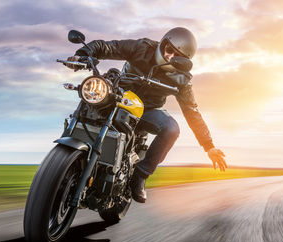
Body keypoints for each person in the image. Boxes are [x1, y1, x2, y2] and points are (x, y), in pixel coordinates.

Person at [66, 27, 227, 203]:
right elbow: (108, 47)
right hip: (118, 96)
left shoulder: (182, 79)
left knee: (172, 128)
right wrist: (83, 54)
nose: (170, 56)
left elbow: (192, 111)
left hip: (146, 110)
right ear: (164, 43)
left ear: (184, 60)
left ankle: (141, 175)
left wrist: (208, 145)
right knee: (90, 96)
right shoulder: (142, 47)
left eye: (177, 56)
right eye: (169, 50)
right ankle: (68, 148)